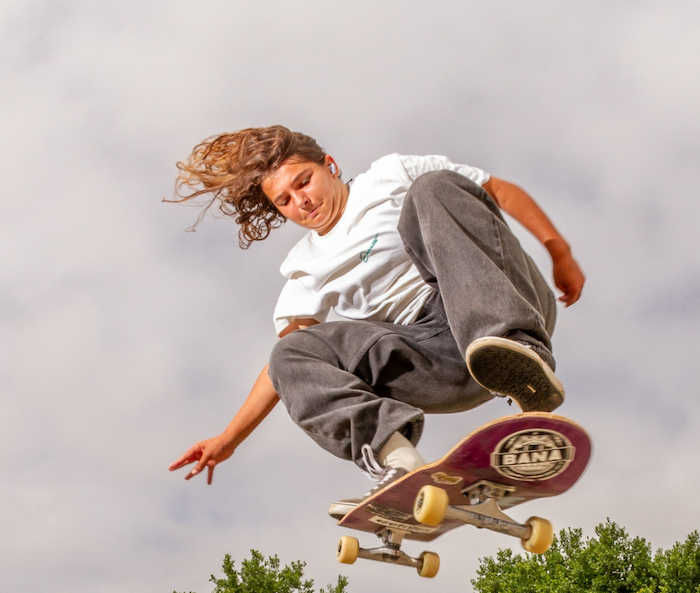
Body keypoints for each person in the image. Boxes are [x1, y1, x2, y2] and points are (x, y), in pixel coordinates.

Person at [169, 126, 585, 502]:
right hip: (434, 361)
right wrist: (230, 438)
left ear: (329, 166)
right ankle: (397, 458)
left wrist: (558, 251)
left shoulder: (390, 175)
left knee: (434, 187)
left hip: (496, 301)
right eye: (285, 200)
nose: (302, 201)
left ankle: (518, 356)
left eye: (304, 182)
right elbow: (285, 370)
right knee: (289, 351)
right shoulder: (303, 271)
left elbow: (498, 190)